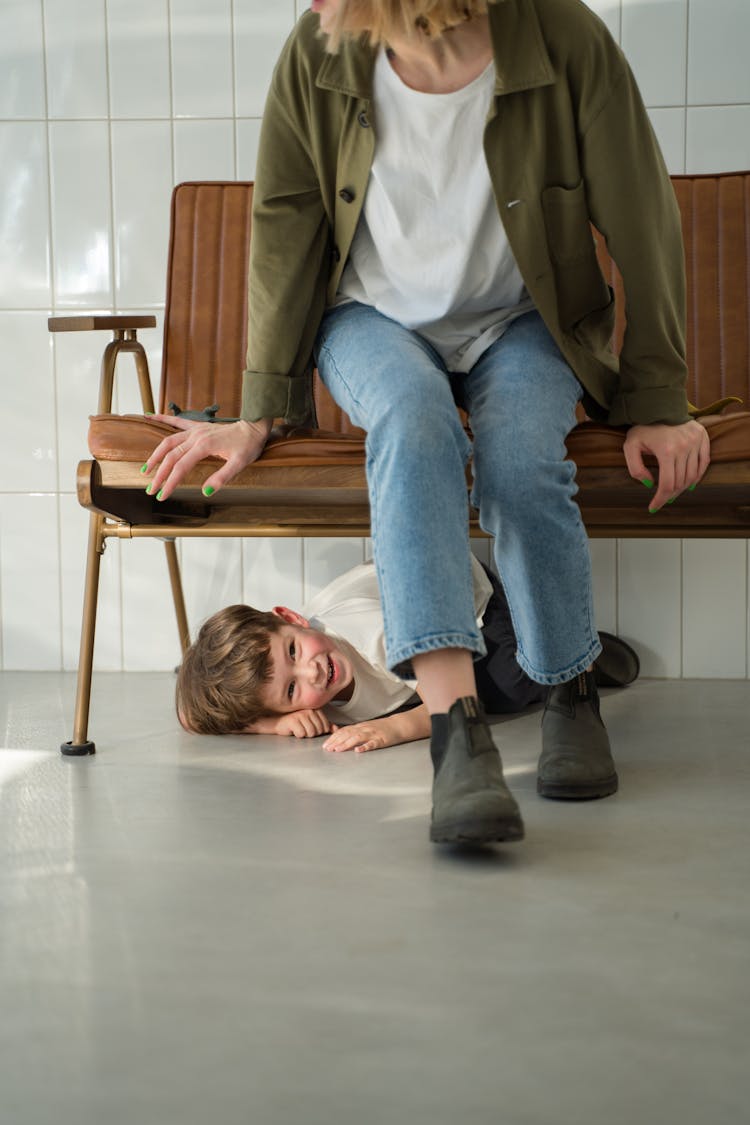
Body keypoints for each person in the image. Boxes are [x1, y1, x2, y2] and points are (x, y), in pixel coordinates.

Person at [143, 1, 709, 845]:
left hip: (524, 317)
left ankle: (569, 691)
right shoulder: (319, 47)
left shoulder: (561, 35)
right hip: (372, 319)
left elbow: (641, 216)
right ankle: (458, 740)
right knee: (412, 425)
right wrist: (261, 409)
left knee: (519, 459)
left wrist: (659, 398)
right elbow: (286, 222)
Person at [176, 556, 639, 752]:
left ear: (291, 617)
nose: (312, 672)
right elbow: (191, 714)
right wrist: (268, 722)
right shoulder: (296, 692)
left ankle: (575, 650)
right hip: (416, 650)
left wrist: (393, 728)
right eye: (291, 689)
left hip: (465, 600)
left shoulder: (365, 631)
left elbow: (446, 704)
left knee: (506, 687)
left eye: (294, 650)